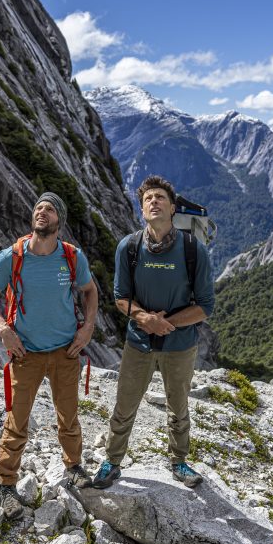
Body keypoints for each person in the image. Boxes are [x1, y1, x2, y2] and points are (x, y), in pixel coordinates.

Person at [0, 192, 97, 518]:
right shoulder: (12, 256)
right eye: (38, 208)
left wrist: (87, 329)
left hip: (65, 352)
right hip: (25, 352)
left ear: (60, 220)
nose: (42, 211)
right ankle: (6, 484)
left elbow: (89, 291)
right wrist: (3, 328)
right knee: (17, 422)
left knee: (68, 417)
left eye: (50, 208)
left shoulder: (72, 257)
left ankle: (73, 467)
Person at [92, 175, 215, 489]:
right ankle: (112, 461)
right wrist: (146, 319)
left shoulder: (192, 250)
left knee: (179, 406)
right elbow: (120, 297)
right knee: (125, 404)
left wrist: (165, 324)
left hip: (180, 344)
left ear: (173, 208)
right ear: (141, 209)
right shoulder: (129, 247)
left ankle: (180, 462)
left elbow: (205, 305)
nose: (154, 202)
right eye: (148, 199)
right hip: (139, 342)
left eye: (160, 197)